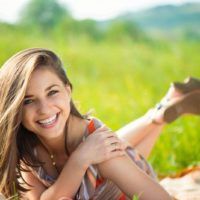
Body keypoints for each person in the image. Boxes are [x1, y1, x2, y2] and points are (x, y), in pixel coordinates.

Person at [0, 48, 199, 200]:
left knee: (110, 151)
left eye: (52, 92)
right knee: (110, 147)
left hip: (118, 165)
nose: (44, 109)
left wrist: (84, 157)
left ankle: (158, 115)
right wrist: (79, 160)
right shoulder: (27, 151)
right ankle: (160, 113)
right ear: (14, 107)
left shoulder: (101, 150)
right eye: (28, 100)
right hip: (98, 150)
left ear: (68, 91)